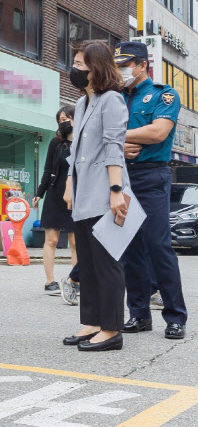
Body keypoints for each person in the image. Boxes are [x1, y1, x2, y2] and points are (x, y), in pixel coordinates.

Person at [115, 41, 187, 340]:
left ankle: (175, 317)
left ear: (143, 64)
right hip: (122, 175)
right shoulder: (114, 96)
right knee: (131, 250)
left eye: (126, 64)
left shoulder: (163, 93)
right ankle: (139, 314)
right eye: (118, 65)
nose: (121, 70)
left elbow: (158, 132)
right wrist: (119, 143)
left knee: (159, 246)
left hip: (152, 175)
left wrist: (115, 135)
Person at [62, 40, 129, 352]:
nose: (74, 69)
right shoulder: (83, 103)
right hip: (83, 193)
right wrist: (67, 186)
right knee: (87, 265)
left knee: (106, 264)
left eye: (80, 64)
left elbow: (114, 147)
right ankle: (91, 323)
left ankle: (112, 329)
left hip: (104, 192)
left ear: (96, 67)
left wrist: (116, 191)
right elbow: (76, 154)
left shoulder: (112, 100)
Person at [33, 105, 77, 296]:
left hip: (76, 197)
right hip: (54, 194)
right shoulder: (55, 143)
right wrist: (39, 193)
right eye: (60, 120)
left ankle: (76, 280)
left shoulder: (84, 141)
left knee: (76, 241)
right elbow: (47, 169)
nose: (63, 123)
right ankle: (50, 281)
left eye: (66, 119)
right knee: (51, 240)